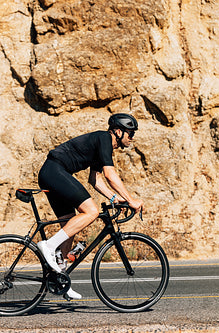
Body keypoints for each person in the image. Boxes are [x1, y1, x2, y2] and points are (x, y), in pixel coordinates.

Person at [37, 113, 144, 299]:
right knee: (91, 211)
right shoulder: (104, 138)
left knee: (69, 226)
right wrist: (131, 199)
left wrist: (115, 198)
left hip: (52, 173)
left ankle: (60, 279)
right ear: (118, 131)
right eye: (130, 133)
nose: (132, 137)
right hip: (54, 171)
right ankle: (48, 245)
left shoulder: (102, 145)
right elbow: (110, 175)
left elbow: (96, 180)